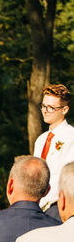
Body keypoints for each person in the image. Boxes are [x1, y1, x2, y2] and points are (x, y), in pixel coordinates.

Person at [34, 83, 74, 219]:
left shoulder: (71, 137)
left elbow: (68, 178)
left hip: (58, 206)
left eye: (51, 107)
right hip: (38, 207)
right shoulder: (40, 140)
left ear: (64, 110)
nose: (45, 111)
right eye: (43, 106)